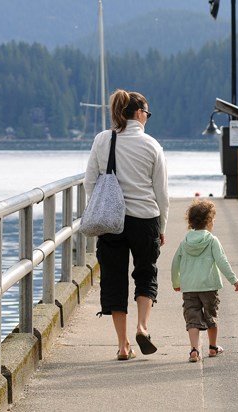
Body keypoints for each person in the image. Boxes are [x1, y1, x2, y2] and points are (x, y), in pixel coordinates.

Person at [84, 89, 169, 361]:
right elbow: (162, 194)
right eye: (148, 113)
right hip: (145, 219)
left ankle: (123, 346)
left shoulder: (102, 140)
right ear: (140, 113)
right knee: (146, 273)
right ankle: (142, 328)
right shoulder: (152, 145)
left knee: (114, 279)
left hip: (112, 222)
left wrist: (102, 209)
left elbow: (90, 181)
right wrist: (162, 227)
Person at [171, 199, 238, 362]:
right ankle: (212, 347)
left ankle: (194, 350)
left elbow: (175, 264)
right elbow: (222, 261)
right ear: (209, 221)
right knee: (211, 315)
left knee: (192, 317)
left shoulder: (185, 242)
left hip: (189, 287)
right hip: (209, 286)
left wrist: (176, 282)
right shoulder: (212, 240)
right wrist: (234, 280)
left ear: (190, 222)